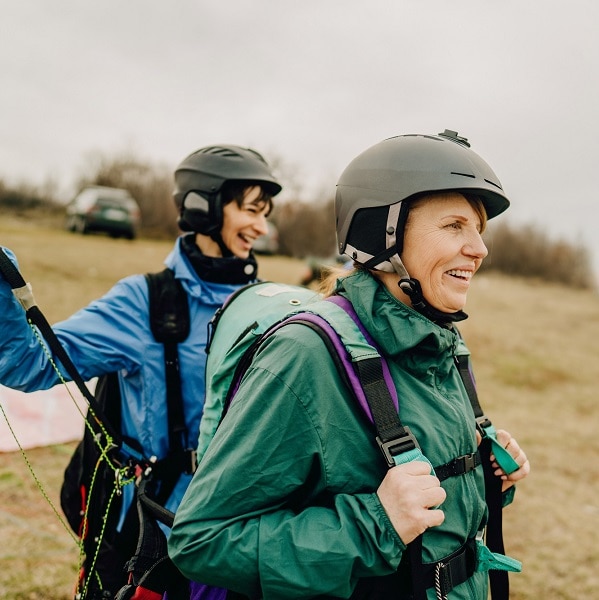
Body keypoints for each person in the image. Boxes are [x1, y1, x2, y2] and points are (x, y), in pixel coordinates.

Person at [168, 130, 530, 599]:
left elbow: (424, 499)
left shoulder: (440, 342)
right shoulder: (303, 356)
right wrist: (375, 524)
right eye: (454, 226)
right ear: (381, 233)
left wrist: (484, 467)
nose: (479, 248)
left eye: (478, 229)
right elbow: (203, 540)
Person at [0, 144, 281, 596]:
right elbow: (31, 363)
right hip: (159, 534)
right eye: (250, 210)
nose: (261, 227)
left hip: (245, 527)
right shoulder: (143, 303)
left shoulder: (271, 304)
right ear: (203, 207)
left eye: (265, 212)